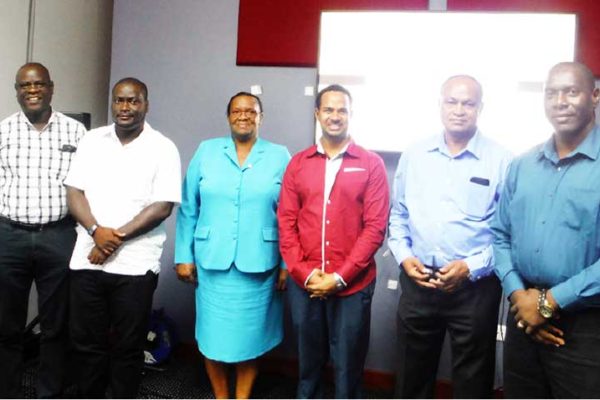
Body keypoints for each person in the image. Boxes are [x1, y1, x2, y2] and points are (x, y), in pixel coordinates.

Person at [388, 75, 512, 398]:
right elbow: (398, 216)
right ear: (440, 105)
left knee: (473, 381)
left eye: (468, 103)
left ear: (480, 108)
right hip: (419, 282)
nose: (459, 110)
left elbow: (506, 233)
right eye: (451, 102)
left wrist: (470, 267)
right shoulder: (415, 154)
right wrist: (405, 257)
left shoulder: (502, 160)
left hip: (475, 288)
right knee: (411, 377)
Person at [64, 77, 181, 398]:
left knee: (127, 348)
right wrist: (95, 232)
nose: (125, 107)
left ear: (146, 105)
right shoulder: (92, 140)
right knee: (86, 345)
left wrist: (110, 239)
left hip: (135, 266)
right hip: (87, 262)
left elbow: (162, 206)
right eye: (119, 100)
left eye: (133, 100)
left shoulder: (163, 147)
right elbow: (74, 192)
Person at [492, 61, 600, 398]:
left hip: (585, 326)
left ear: (595, 96)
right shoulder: (522, 165)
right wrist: (520, 296)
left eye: (571, 91)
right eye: (551, 93)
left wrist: (549, 303)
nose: (560, 102)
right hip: (522, 315)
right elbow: (500, 235)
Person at [174, 92, 290, 399]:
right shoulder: (207, 151)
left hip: (259, 265)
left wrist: (286, 264)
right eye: (237, 111)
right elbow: (188, 207)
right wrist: (183, 255)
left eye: (251, 111)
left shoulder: (279, 156)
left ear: (261, 117)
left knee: (250, 341)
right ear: (228, 117)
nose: (243, 116)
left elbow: (291, 214)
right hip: (212, 264)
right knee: (213, 340)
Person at [278, 84, 389, 398]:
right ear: (317, 113)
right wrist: (305, 274)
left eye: (342, 110)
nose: (335, 116)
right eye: (328, 109)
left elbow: (375, 228)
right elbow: (286, 223)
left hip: (353, 285)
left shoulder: (371, 164)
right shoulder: (298, 163)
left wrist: (339, 277)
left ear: (351, 114)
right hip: (306, 284)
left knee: (348, 366)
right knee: (308, 363)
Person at [0, 62, 86, 398]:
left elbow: (88, 184)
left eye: (38, 84)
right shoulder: (3, 131)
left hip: (59, 236)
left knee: (56, 325)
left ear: (51, 88)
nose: (32, 90)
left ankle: (48, 394)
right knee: (6, 325)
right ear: (17, 91)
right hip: (10, 237)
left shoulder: (76, 132)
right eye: (25, 85)